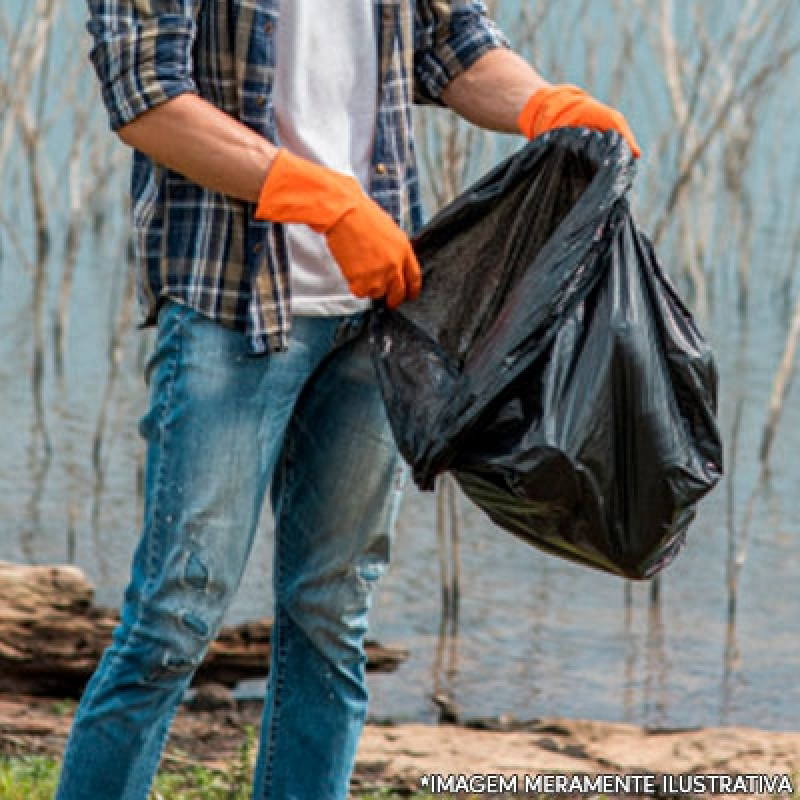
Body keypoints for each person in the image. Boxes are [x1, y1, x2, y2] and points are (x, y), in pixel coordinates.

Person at [56, 2, 640, 798]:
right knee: (174, 618)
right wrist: (322, 200)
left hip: (382, 307)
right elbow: (146, 98)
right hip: (232, 305)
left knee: (332, 617)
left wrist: (543, 102)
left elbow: (452, 43)